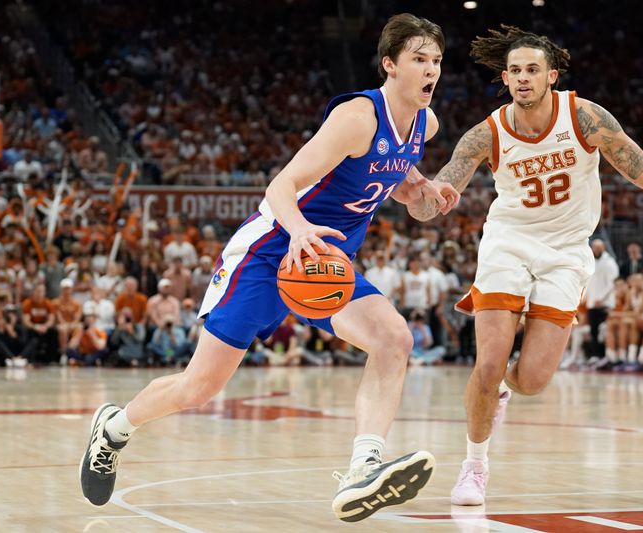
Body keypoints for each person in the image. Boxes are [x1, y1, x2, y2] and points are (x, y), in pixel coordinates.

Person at [79, 13, 460, 523]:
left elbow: (396, 184)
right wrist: (300, 228)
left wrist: (423, 190)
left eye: (436, 60)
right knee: (200, 387)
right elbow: (280, 186)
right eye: (419, 59)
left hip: (327, 267)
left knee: (395, 339)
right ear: (390, 65)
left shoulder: (425, 124)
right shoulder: (357, 116)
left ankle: (363, 468)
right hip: (271, 252)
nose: (430, 69)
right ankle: (114, 429)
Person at [406, 24, 643, 505]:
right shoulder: (487, 133)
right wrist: (421, 193)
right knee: (488, 362)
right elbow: (430, 200)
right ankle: (474, 468)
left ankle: (502, 389)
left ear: (552, 76)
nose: (523, 78)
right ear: (505, 77)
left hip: (567, 253)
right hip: (508, 244)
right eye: (516, 71)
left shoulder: (586, 119)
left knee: (532, 380)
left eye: (533, 70)